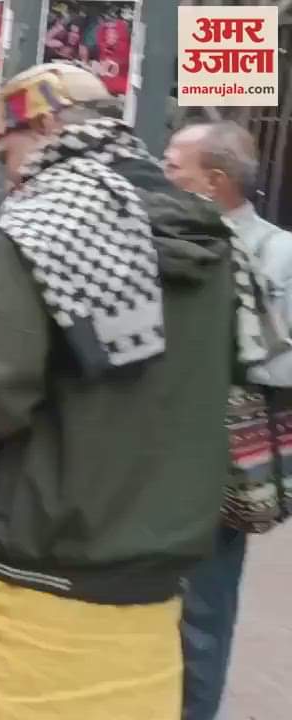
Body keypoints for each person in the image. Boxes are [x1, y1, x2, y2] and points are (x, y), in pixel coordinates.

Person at [0, 64, 248, 719]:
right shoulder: (209, 234)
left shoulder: (45, 220)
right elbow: (141, 373)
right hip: (147, 595)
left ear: (46, 125)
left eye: (6, 152)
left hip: (25, 583)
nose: (7, 174)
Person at [164, 121, 292, 720]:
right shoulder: (162, 236)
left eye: (173, 167)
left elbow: (279, 366)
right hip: (151, 450)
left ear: (214, 182)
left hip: (222, 462)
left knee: (203, 613)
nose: (163, 176)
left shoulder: (277, 252)